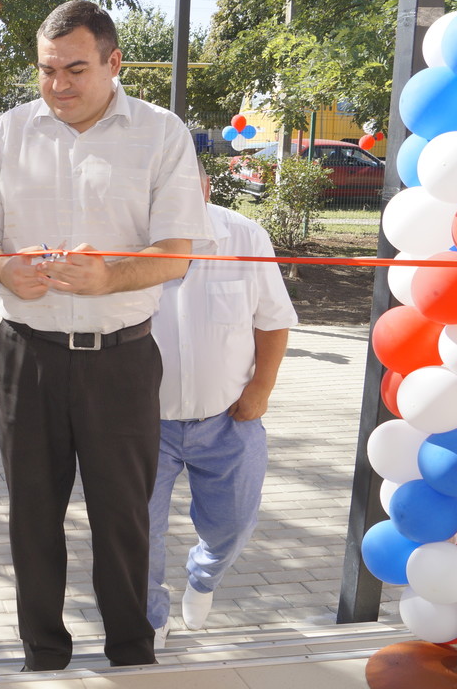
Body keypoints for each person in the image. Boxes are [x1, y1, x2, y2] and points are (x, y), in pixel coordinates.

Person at [0, 0, 213, 669]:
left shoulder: (161, 135)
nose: (59, 85)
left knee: (123, 520)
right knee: (31, 518)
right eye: (46, 71)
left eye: (75, 69)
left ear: (113, 62)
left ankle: (131, 653)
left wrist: (112, 277)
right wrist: (2, 266)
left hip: (121, 362)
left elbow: (177, 252)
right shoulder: (9, 133)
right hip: (25, 358)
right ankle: (43, 653)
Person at [147, 160, 296, 648]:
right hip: (144, 424)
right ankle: (150, 616)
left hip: (229, 419)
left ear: (207, 187)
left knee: (233, 524)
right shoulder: (129, 241)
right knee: (137, 533)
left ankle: (203, 578)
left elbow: (272, 320)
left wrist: (262, 389)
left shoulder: (244, 236)